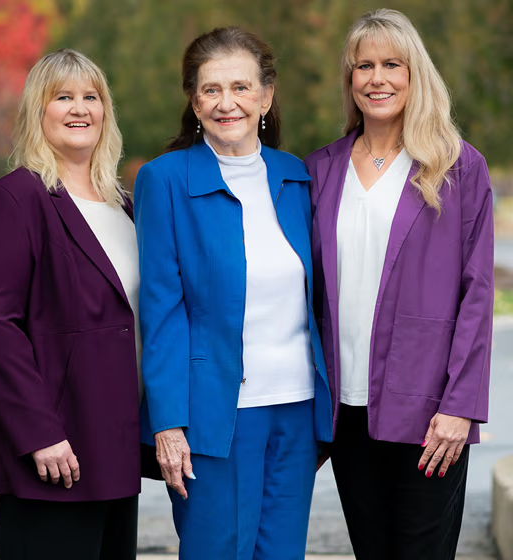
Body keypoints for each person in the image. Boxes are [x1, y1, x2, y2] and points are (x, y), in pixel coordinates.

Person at [135, 26, 333, 560]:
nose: (228, 103)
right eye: (211, 89)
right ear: (194, 100)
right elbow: (162, 310)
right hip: (214, 414)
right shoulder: (165, 180)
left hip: (296, 408)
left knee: (281, 552)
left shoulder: (297, 176)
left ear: (266, 96)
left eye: (242, 88)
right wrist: (168, 423)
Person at [306, 9, 493, 560]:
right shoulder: (321, 168)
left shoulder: (458, 168)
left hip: (429, 412)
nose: (377, 78)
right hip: (347, 408)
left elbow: (477, 293)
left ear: (416, 75)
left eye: (393, 64)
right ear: (350, 79)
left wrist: (461, 407)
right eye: (364, 66)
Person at [0, 49, 142, 560]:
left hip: (115, 443)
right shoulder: (15, 200)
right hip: (53, 449)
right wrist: (39, 433)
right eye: (62, 97)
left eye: (91, 97)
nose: (79, 108)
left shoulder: (122, 205)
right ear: (37, 112)